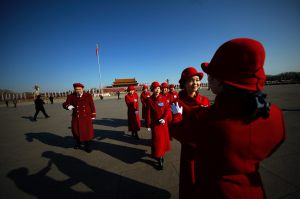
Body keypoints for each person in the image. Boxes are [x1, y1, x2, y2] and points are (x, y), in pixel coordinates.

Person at [171, 38, 286, 199]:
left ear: (223, 80)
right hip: (253, 190)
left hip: (216, 191)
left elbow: (180, 131)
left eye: (211, 76)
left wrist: (177, 116)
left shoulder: (209, 119)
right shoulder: (274, 114)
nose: (206, 81)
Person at [170, 67, 210, 199]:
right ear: (184, 83)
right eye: (191, 80)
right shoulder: (177, 103)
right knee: (190, 178)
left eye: (197, 80)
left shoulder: (205, 100)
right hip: (189, 147)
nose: (195, 83)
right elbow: (175, 131)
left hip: (206, 148)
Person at [63, 83, 96, 153]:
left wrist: (93, 115)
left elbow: (92, 105)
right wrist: (67, 106)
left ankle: (88, 146)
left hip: (86, 117)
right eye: (76, 89)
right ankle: (78, 144)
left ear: (82, 89)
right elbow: (65, 104)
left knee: (87, 133)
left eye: (79, 89)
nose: (78, 90)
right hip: (76, 118)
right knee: (76, 132)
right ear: (74, 89)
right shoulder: (71, 96)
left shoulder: (88, 95)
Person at [146, 81, 171, 170]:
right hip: (155, 125)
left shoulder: (163, 98)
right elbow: (148, 113)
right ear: (152, 90)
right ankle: (159, 158)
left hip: (163, 124)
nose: (158, 90)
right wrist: (148, 125)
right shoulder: (149, 100)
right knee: (157, 142)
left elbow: (167, 110)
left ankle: (161, 155)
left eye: (159, 88)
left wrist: (164, 119)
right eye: (156, 88)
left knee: (163, 141)